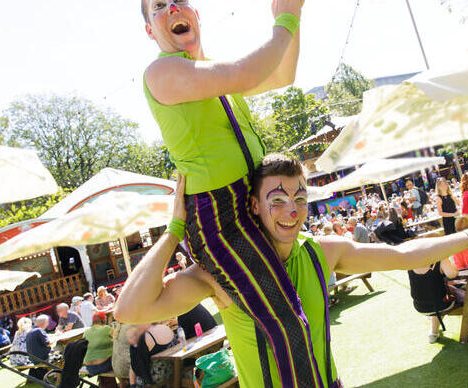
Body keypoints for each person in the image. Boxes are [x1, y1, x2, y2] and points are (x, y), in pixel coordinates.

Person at [115, 154, 468, 388]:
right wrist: (174, 230)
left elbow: (404, 255)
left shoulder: (320, 252)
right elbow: (129, 311)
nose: (292, 210)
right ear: (254, 206)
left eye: (299, 197)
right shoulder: (223, 275)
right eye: (276, 199)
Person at [139, 0, 339, 383]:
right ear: (150, 30)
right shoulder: (161, 71)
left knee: (294, 315)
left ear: (196, 15)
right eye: (159, 6)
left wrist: (292, 16)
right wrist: (283, 19)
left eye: (180, 1)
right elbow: (247, 72)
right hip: (221, 218)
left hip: (255, 202)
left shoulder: (216, 77)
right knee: (287, 321)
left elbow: (282, 75)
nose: (172, 8)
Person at [407, 256, 458, 343]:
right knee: (454, 293)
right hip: (442, 304)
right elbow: (452, 274)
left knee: (434, 298)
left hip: (420, 306)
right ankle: (433, 332)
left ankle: (433, 331)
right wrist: (454, 266)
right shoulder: (440, 258)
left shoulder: (410, 262)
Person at [82, 312, 113, 376]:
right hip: (104, 365)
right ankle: (123, 384)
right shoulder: (106, 328)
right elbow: (118, 339)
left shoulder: (86, 332)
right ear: (104, 320)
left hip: (90, 368)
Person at [26, 315, 52, 380]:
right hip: (42, 358)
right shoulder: (39, 330)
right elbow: (48, 343)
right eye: (47, 322)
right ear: (44, 322)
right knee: (60, 350)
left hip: (33, 358)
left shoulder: (30, 331)